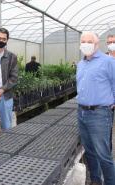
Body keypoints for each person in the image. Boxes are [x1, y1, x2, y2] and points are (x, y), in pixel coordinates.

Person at [77, 31, 115, 185]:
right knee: (90, 151)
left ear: (97, 44)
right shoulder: (80, 64)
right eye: (83, 41)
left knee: (103, 154)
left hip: (99, 112)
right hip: (82, 112)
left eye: (89, 41)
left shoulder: (108, 61)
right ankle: (95, 180)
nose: (85, 44)